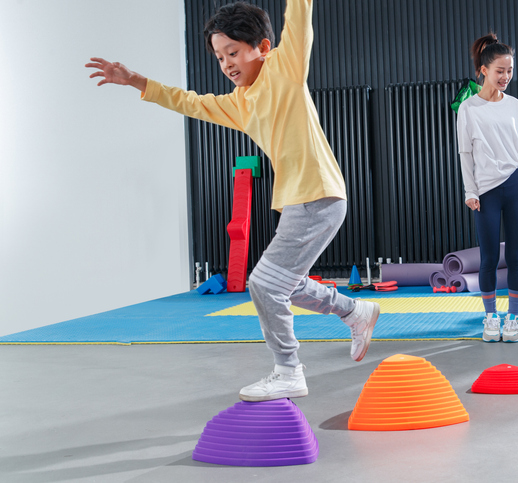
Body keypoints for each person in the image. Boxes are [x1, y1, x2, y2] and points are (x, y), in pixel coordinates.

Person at [85, 0, 380, 401]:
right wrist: (134, 79)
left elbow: (299, 16)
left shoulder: (285, 68)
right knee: (285, 285)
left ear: (262, 47)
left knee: (262, 283)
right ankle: (354, 311)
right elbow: (187, 101)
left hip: (318, 194)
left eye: (234, 52)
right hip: (300, 200)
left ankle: (289, 370)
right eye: (220, 56)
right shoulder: (238, 103)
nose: (227, 63)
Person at [456, 33, 518, 343]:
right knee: (488, 257)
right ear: (484, 69)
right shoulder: (468, 109)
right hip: (485, 191)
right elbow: (465, 153)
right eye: (500, 70)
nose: (506, 76)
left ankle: (514, 317)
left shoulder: (515, 106)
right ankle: (490, 318)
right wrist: (470, 191)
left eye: (510, 70)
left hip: (515, 187)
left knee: (516, 256)